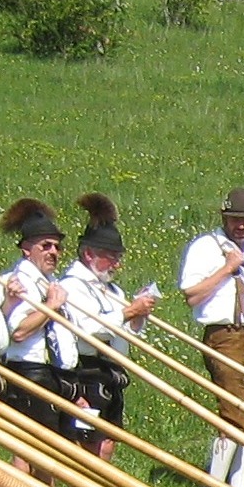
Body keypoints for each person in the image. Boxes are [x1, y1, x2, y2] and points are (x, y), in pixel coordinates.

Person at [178, 188, 244, 487]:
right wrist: (228, 269)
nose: (242, 225)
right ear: (224, 217)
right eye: (236, 219)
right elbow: (191, 294)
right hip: (227, 337)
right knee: (233, 413)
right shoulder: (207, 248)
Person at [0, 200, 70, 487]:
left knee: (47, 453)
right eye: (45, 246)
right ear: (26, 249)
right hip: (26, 372)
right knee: (24, 453)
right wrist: (51, 308)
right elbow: (17, 333)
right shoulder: (16, 282)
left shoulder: (50, 284)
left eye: (56, 246)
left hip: (51, 373)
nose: (53, 252)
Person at [53, 194, 156, 470]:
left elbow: (126, 331)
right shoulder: (73, 286)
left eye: (118, 257)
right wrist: (128, 312)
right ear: (89, 254)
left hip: (111, 369)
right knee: (85, 443)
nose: (116, 264)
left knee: (108, 442)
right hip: (86, 370)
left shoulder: (113, 290)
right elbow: (86, 328)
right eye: (111, 257)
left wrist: (138, 317)